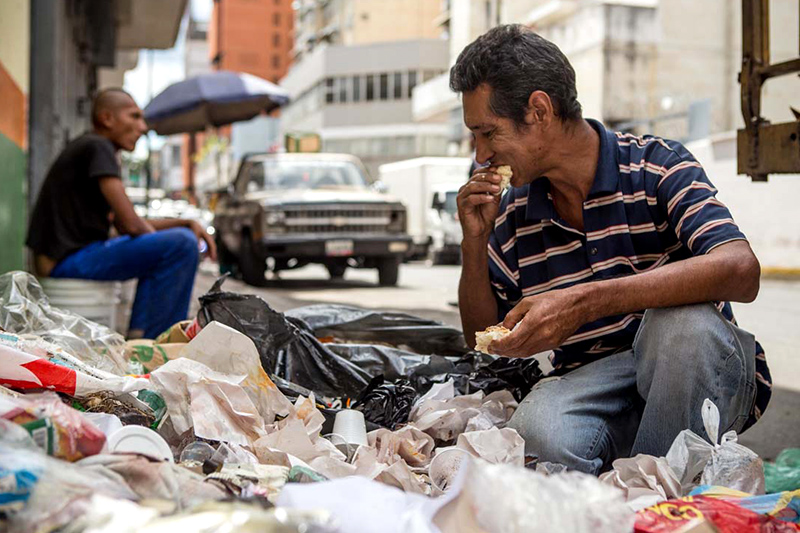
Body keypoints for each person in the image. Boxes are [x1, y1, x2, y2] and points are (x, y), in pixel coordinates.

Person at [451, 25, 771, 474]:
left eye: (488, 133)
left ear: (539, 111)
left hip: (696, 373)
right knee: (537, 433)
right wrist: (474, 240)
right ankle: (642, 474)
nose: (481, 154)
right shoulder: (512, 210)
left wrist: (587, 301)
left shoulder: (656, 165)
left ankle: (657, 502)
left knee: (686, 328)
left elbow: (740, 269)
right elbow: (481, 336)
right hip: (595, 387)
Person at [26, 88, 217, 340]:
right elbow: (133, 224)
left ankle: (142, 336)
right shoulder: (99, 146)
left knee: (174, 242)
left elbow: (126, 225)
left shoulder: (91, 148)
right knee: (181, 245)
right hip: (65, 262)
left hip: (67, 258)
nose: (143, 126)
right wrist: (167, 242)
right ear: (107, 119)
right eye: (134, 117)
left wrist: (185, 221)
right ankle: (159, 341)